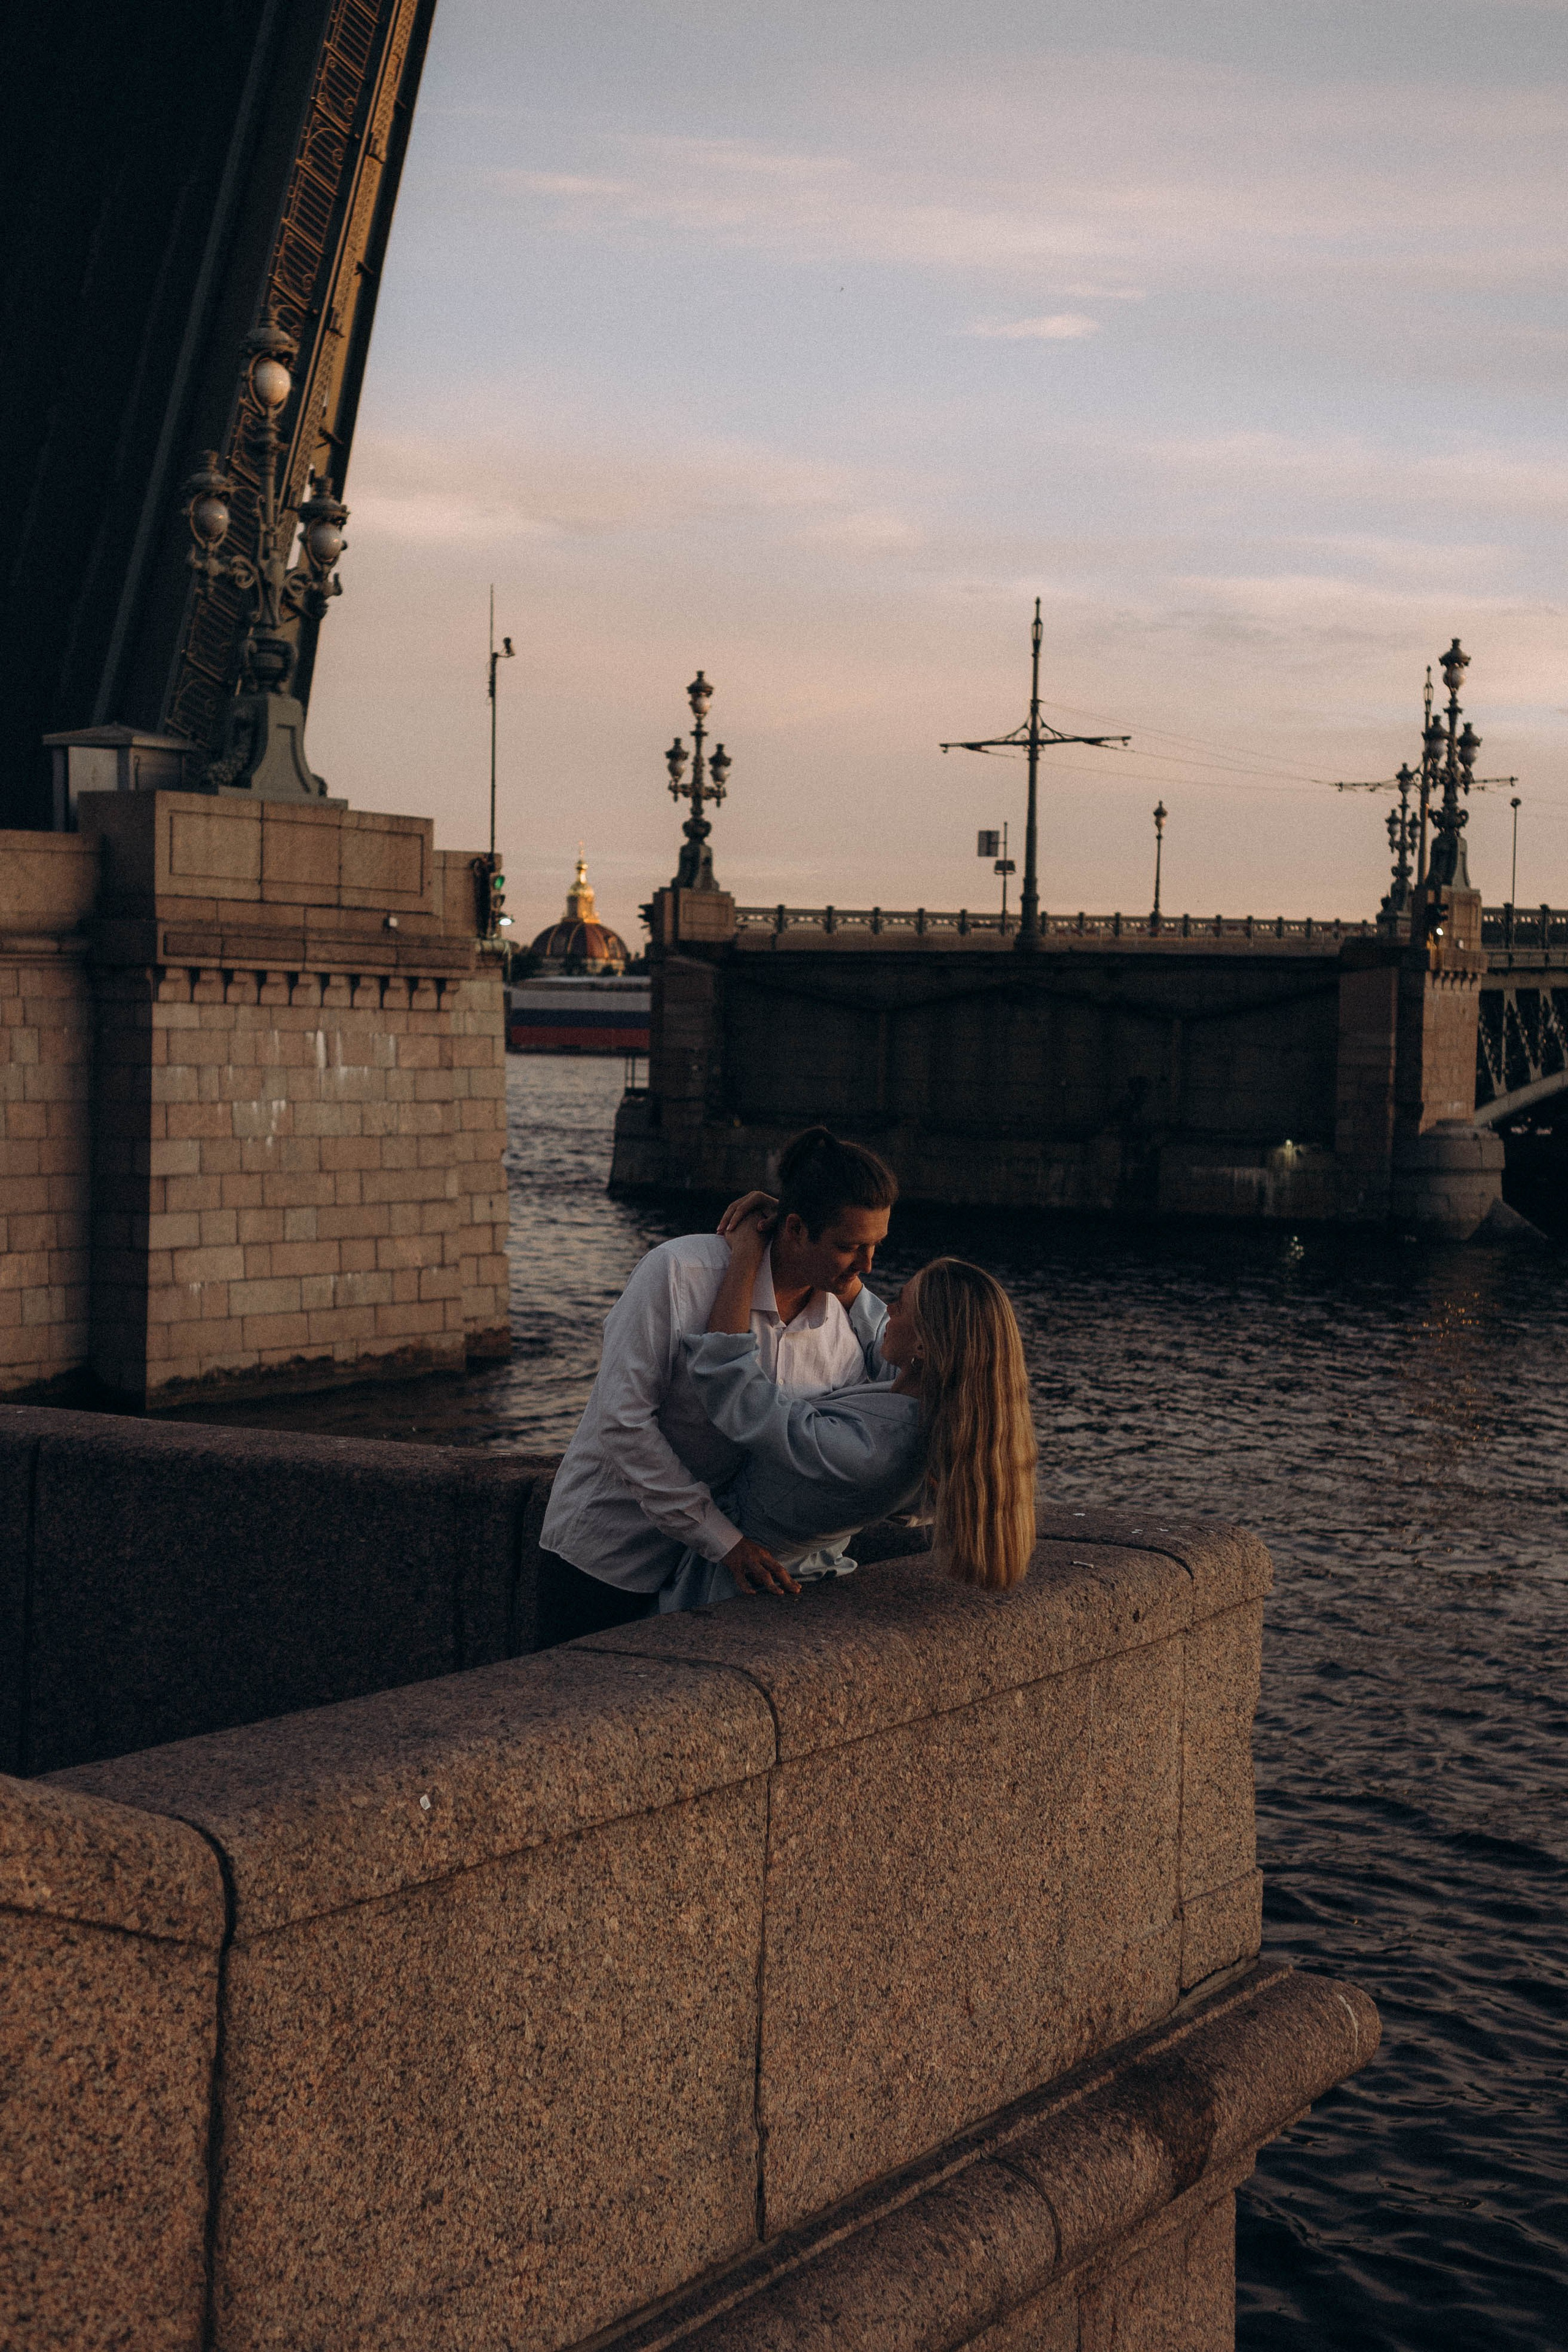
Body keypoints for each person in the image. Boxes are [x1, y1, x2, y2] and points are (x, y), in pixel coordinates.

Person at [537, 1126, 899, 1634]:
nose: (867, 1265)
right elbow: (622, 1422)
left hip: (710, 1579)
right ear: (795, 1229)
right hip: (609, 1553)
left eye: (876, 1245)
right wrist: (723, 1540)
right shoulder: (680, 1272)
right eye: (850, 1247)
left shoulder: (841, 1333)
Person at [660, 1208, 1038, 1610]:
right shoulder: (938, 1413)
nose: (888, 1309)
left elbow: (733, 1390)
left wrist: (748, 1252)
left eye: (901, 1304)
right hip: (808, 1574)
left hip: (741, 1590)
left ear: (924, 1347)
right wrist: (804, 1234)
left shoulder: (868, 1453)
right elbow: (871, 1323)